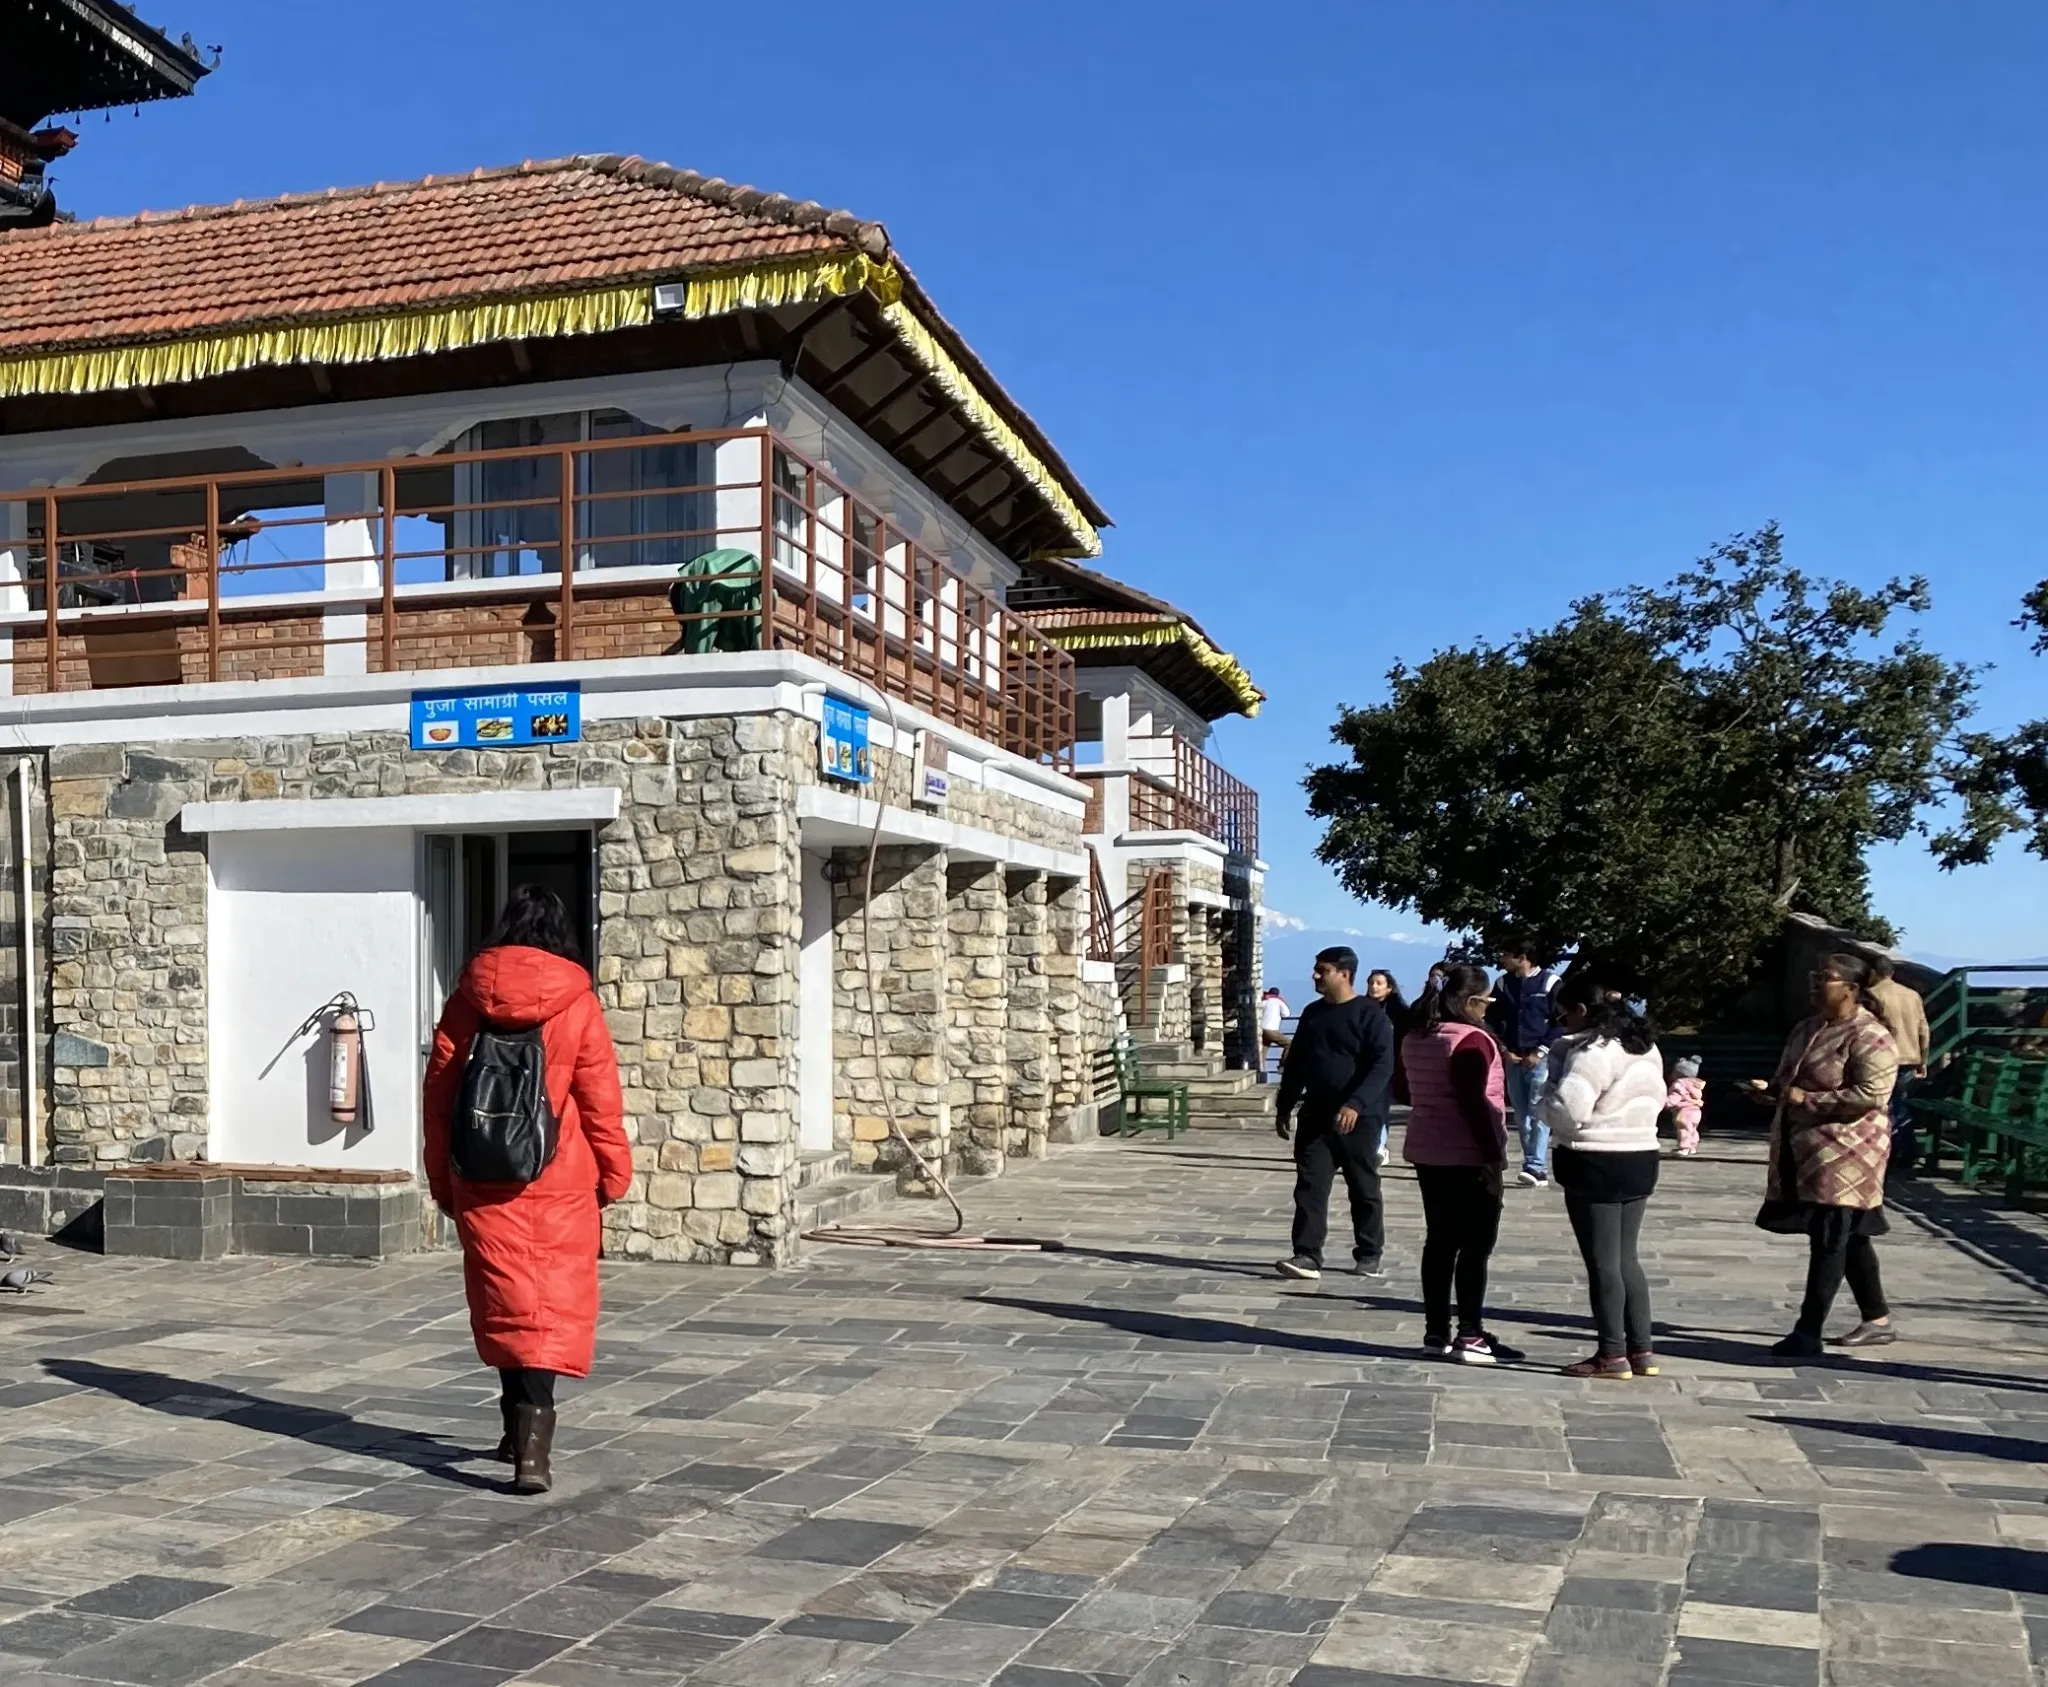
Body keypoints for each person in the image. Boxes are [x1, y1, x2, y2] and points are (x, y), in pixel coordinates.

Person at [423, 884, 635, 1493]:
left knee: (506, 1302)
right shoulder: (578, 1004)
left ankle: (515, 1432)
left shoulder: (466, 999)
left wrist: (441, 1177)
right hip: (559, 1178)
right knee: (546, 1308)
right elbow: (599, 1103)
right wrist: (615, 1173)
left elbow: (439, 1101)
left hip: (483, 1179)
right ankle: (532, 1452)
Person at [1750, 951, 1900, 1359]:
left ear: (1851, 989)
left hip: (1849, 1152)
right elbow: (1788, 1079)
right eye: (1815, 977)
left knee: (1831, 1236)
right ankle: (1877, 1318)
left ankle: (1808, 1330)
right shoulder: (1807, 1028)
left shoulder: (1870, 1035)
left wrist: (1807, 1098)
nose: (1816, 985)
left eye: (1826, 979)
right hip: (1805, 1150)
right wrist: (1772, 1092)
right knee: (1849, 1237)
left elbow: (1872, 1095)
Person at [1540, 976, 1667, 1379]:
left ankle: (1611, 1352)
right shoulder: (1644, 1047)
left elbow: (1570, 1109)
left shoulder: (1592, 1052)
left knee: (1602, 1262)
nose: (1559, 1022)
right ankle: (1641, 1349)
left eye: (1561, 1013)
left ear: (1580, 1010)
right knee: (1627, 1257)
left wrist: (1542, 1105)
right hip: (1640, 1154)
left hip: (1596, 1159)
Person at [1400, 964, 1521, 1363]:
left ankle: (1436, 1331)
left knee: (1439, 1240)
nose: (1488, 1009)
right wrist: (1493, 1153)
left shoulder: (1417, 1035)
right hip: (1469, 1153)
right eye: (1486, 1002)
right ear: (1471, 1001)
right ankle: (1470, 1333)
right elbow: (1474, 1102)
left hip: (1426, 1148)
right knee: (1475, 1244)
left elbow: (1401, 1087)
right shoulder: (1471, 1041)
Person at [1274, 947, 1395, 1282]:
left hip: (1359, 1119)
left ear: (1344, 973)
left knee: (1363, 1188)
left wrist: (1355, 1104)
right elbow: (1297, 1063)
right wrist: (1285, 1105)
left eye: (1322, 970)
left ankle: (1369, 1252)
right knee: (1310, 1187)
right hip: (1315, 1115)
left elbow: (1382, 1066)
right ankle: (1307, 1255)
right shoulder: (1312, 1014)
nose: (1315, 975)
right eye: (1315, 969)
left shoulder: (1371, 1016)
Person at [1488, 939, 1562, 1188]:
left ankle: (1535, 1165)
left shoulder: (1550, 982)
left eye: (1507, 954)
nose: (1502, 960)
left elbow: (1559, 1022)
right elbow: (1493, 1020)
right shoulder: (1502, 983)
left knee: (1537, 1111)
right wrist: (1505, 1049)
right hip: (1513, 1056)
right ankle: (1533, 1163)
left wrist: (1541, 1051)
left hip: (1539, 1057)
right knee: (1521, 1114)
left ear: (1523, 957)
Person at [1865, 954, 1929, 1179]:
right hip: (1909, 1056)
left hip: (1883, 1058)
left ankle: (1894, 1151)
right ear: (1892, 973)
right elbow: (1923, 1029)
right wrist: (1923, 1059)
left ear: (1873, 972)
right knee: (1899, 1104)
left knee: (1885, 1106)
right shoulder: (1911, 995)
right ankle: (1907, 1149)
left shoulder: (1872, 995)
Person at [1362, 969, 1411, 1166]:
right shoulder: (1362, 1008)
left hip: (1389, 1064)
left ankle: (1378, 1146)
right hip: (1364, 1064)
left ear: (1389, 988)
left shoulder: (1399, 1011)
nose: (1374, 987)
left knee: (1381, 1106)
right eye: (1371, 983)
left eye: (1379, 983)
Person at [1665, 1056, 1706, 1157]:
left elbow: (1676, 1097)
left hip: (1684, 1111)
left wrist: (1666, 1103)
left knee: (1683, 1130)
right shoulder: (1696, 1083)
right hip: (1696, 1110)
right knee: (1692, 1130)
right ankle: (1692, 1147)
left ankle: (1684, 1148)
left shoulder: (1679, 1085)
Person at [1259, 986, 1293, 1080]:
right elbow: (1286, 1013)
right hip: (1272, 1030)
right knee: (1290, 1044)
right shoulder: (1278, 1002)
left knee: (1262, 1052)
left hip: (1262, 1029)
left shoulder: (1265, 1001)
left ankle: (1260, 1073)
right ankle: (1282, 1065)